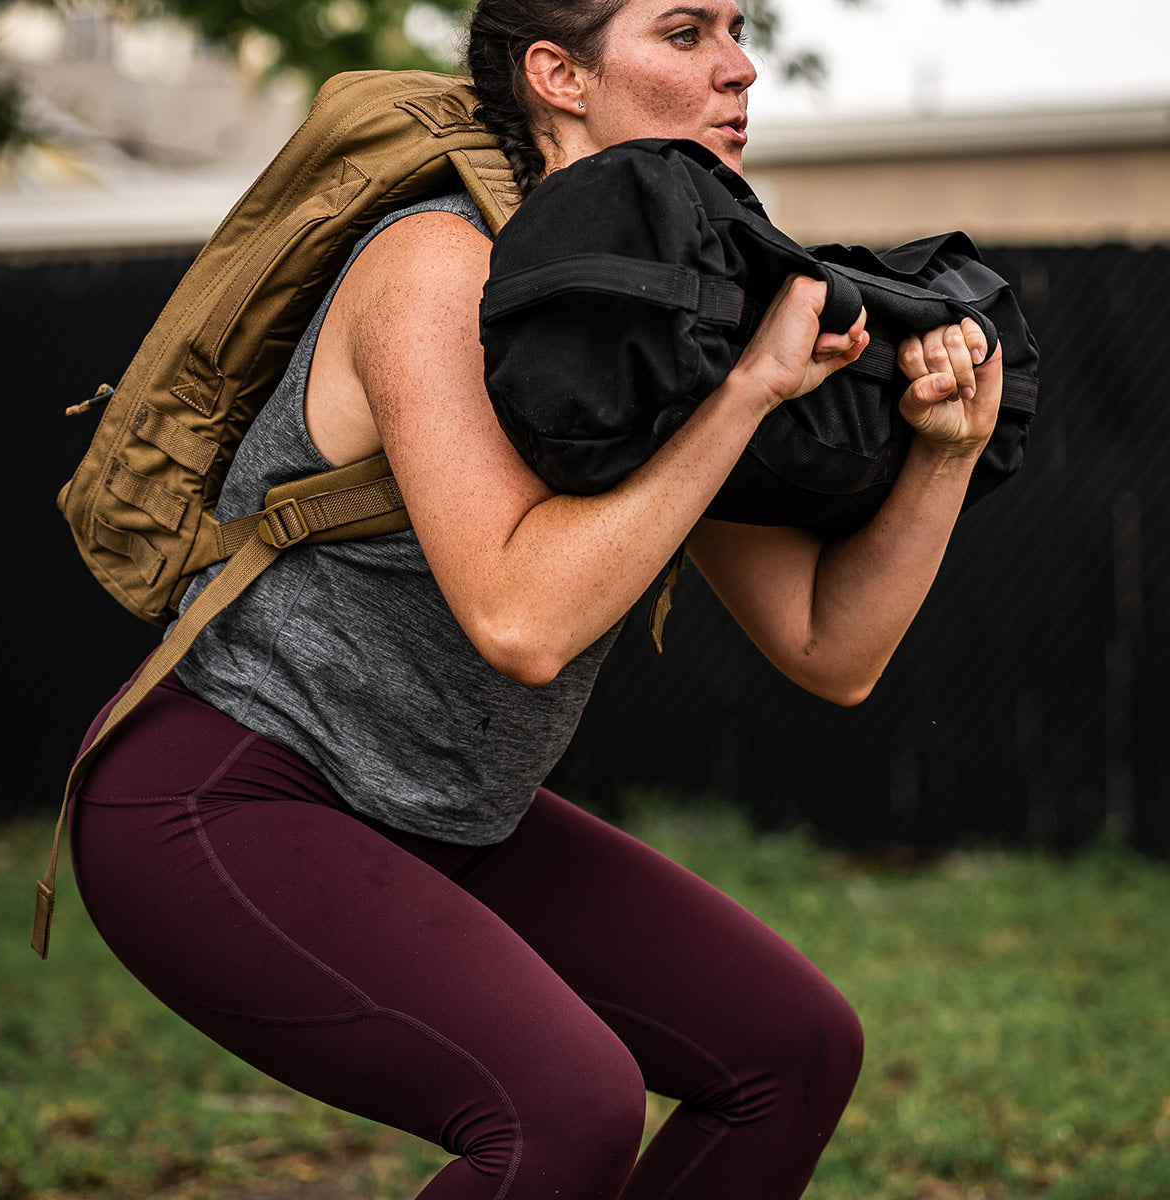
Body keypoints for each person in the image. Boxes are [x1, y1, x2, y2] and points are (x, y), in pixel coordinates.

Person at [67, 1, 1003, 1196]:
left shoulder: (670, 308)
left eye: (735, 26)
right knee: (565, 1111)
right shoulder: (436, 263)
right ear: (558, 74)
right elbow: (523, 623)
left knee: (792, 1050)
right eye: (684, 33)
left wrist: (944, 450)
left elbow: (832, 649)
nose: (740, 66)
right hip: (226, 796)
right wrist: (746, 394)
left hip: (441, 815)